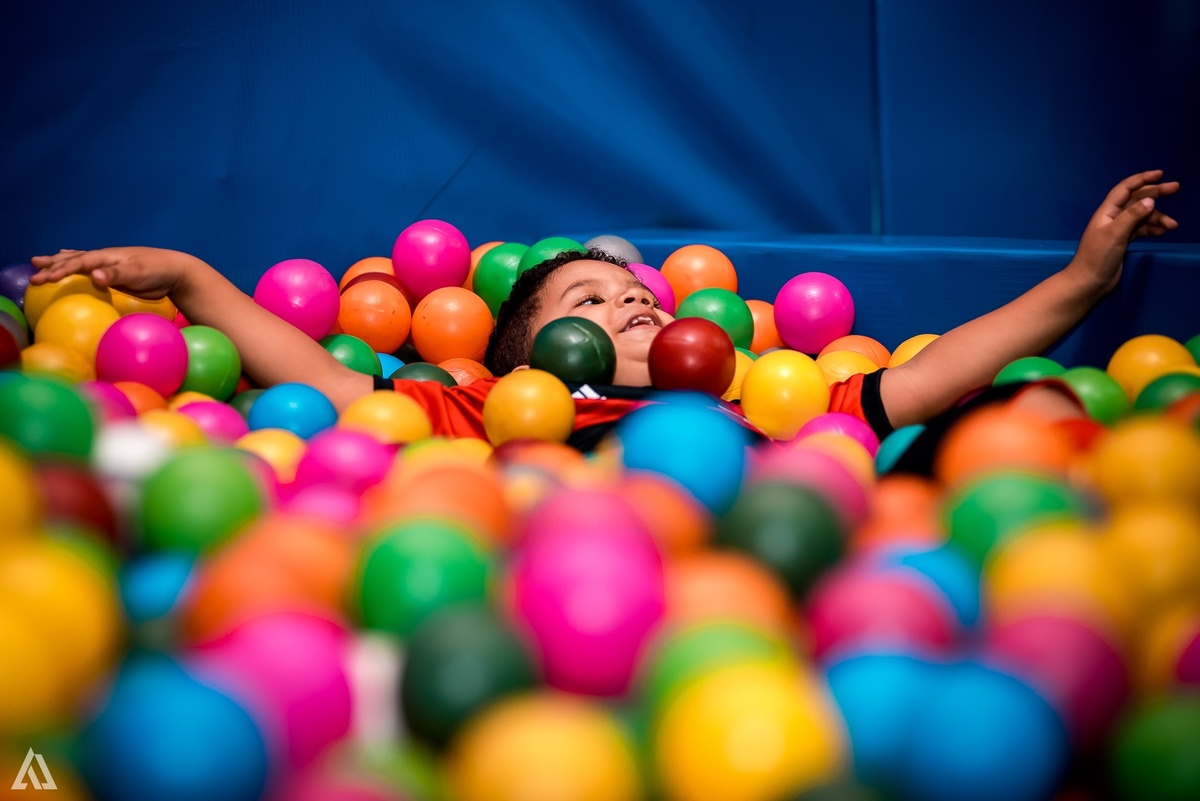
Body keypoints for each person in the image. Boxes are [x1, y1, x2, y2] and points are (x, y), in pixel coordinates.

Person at [28, 171, 1179, 455]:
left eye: (637, 295)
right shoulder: (475, 404)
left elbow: (928, 381)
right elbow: (317, 381)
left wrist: (1081, 283)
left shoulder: (763, 397)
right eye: (592, 302)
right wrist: (189, 279)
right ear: (526, 347)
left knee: (1012, 416)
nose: (630, 302)